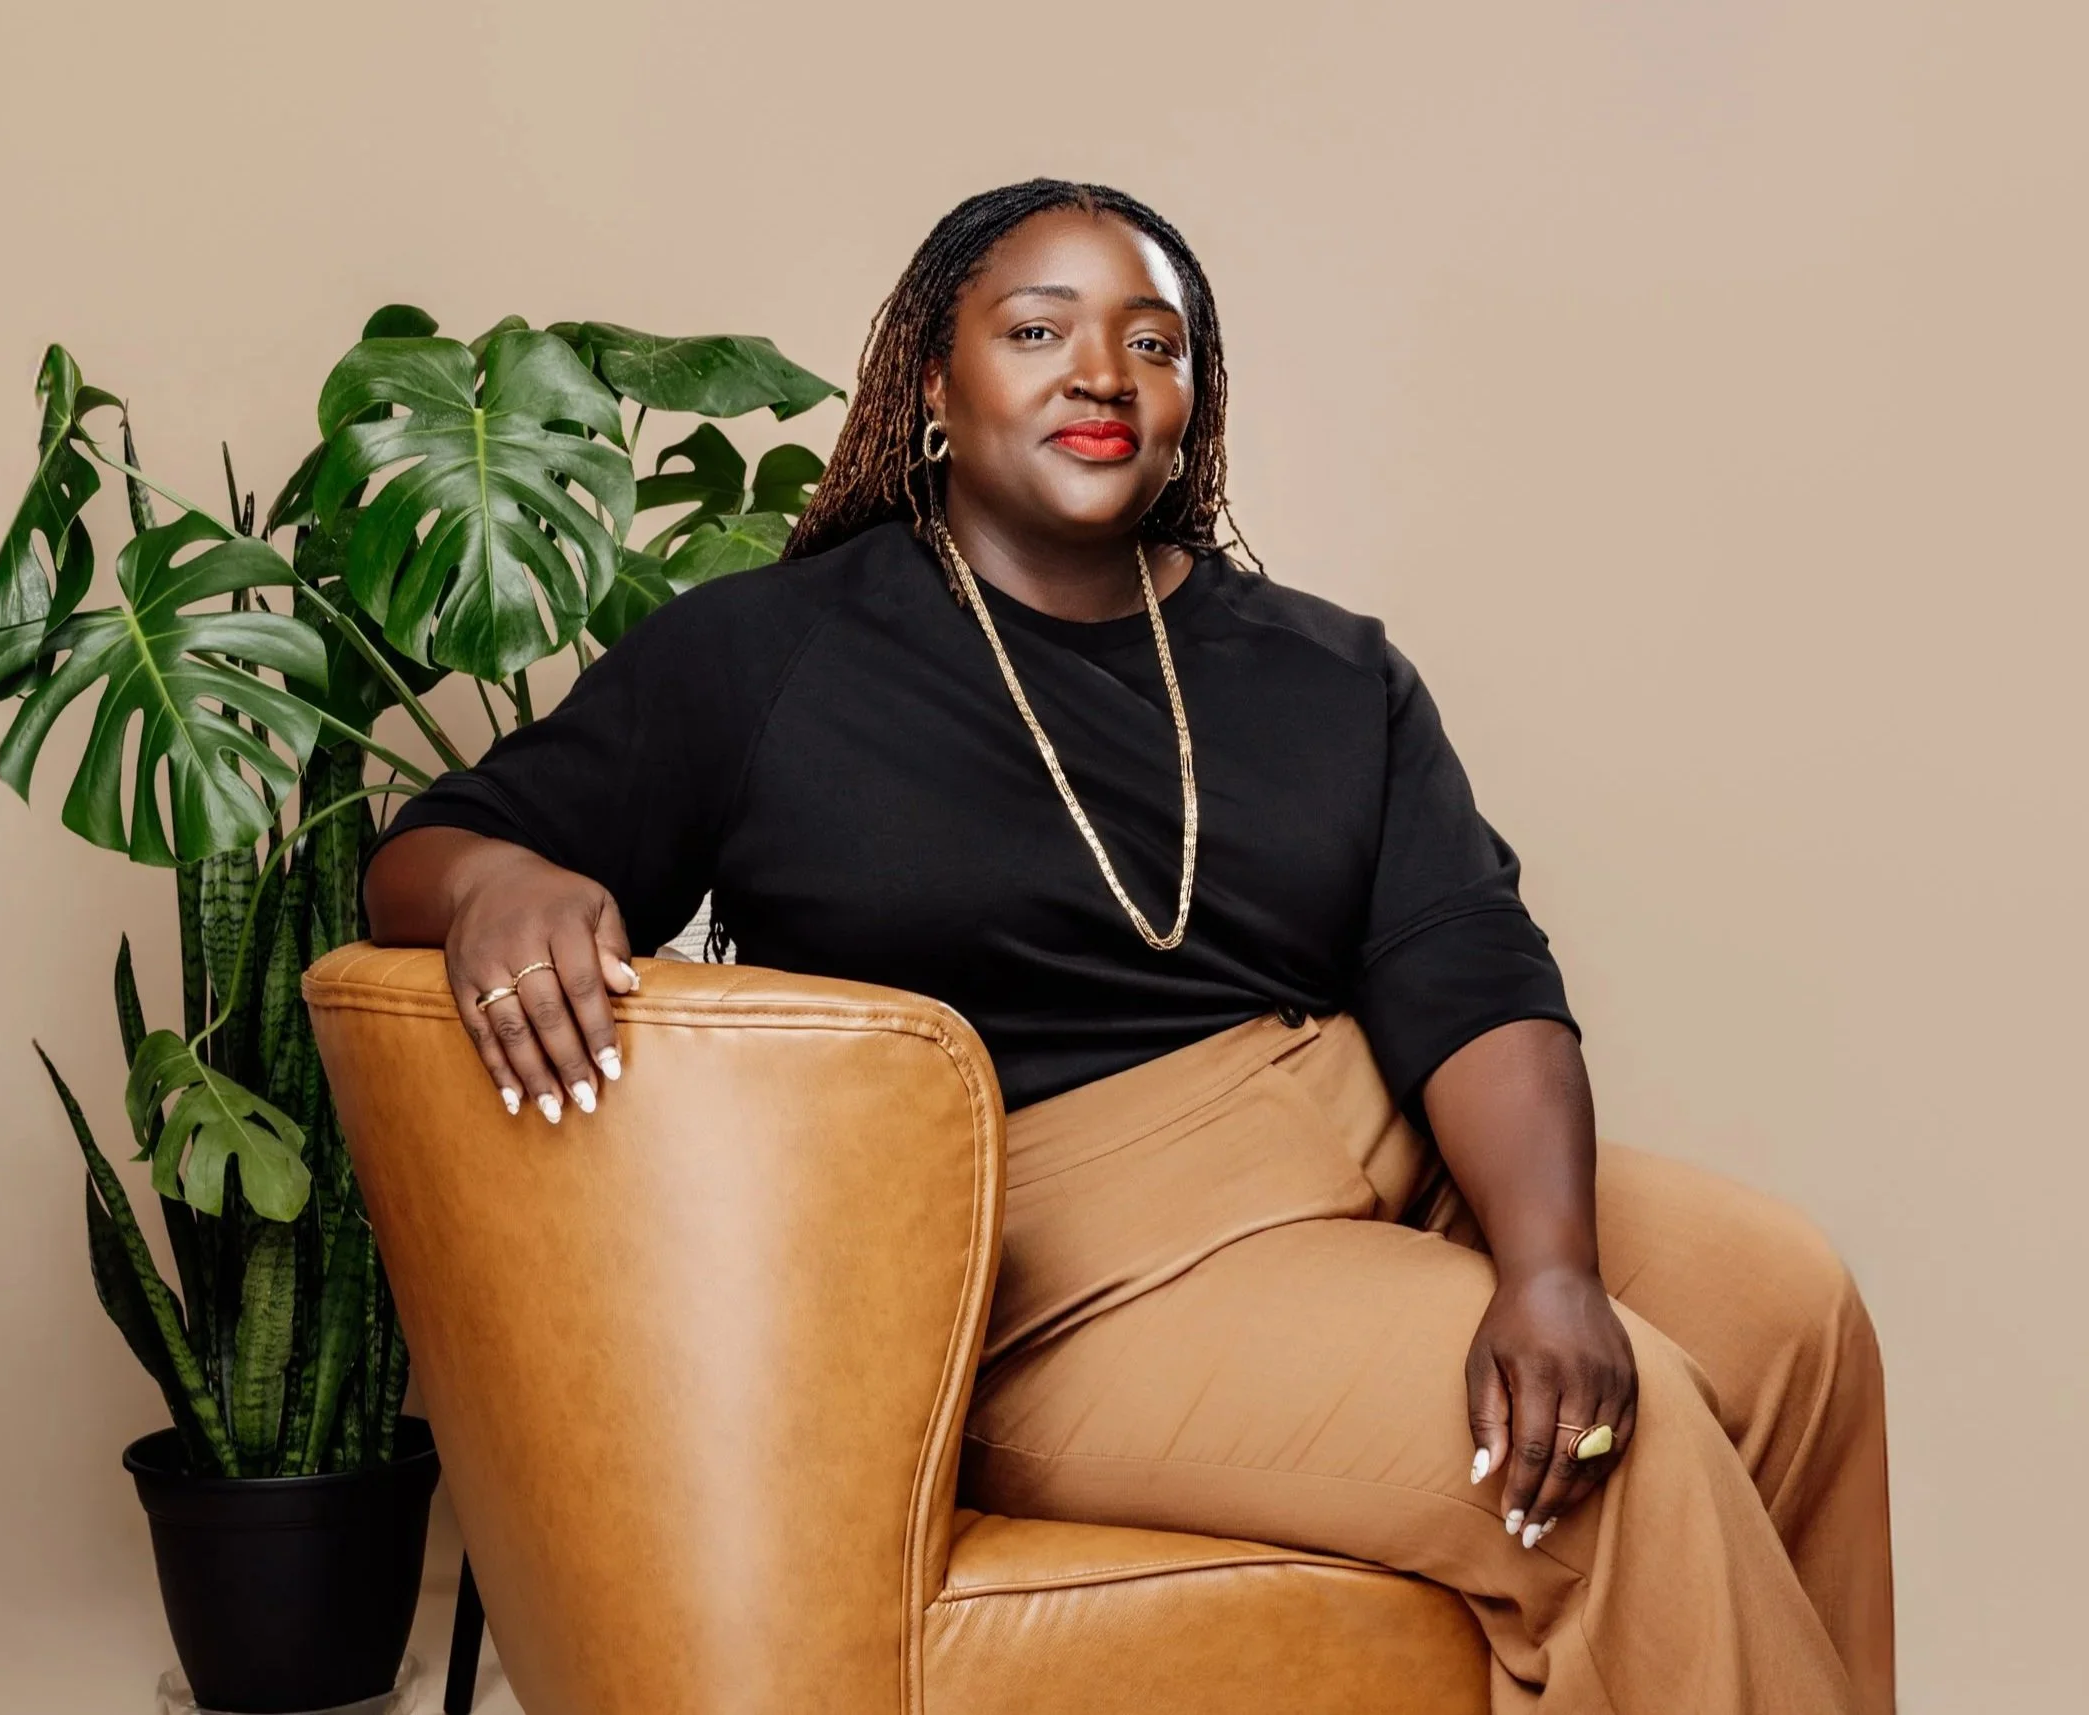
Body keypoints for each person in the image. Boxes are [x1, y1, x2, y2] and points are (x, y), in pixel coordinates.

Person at [362, 179, 1893, 1715]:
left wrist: (1548, 1264)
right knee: (1614, 1442)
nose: (1100, 373)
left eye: (1151, 343)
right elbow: (426, 851)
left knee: (1788, 1310)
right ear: (932, 381)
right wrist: (492, 879)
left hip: (1384, 1150)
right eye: (1037, 332)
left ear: (1191, 400)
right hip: (1062, 1262)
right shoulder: (766, 652)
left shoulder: (1330, 669)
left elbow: (1471, 967)